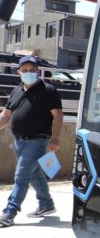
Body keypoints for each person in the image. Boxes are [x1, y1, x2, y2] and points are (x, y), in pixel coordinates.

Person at [0, 56, 62, 227]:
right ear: (19, 72)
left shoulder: (48, 90)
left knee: (21, 175)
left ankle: (9, 211)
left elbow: (58, 115)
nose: (28, 73)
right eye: (24, 70)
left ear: (37, 71)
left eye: (32, 70)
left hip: (38, 141)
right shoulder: (16, 91)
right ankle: (46, 204)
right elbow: (6, 115)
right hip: (19, 141)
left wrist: (55, 137)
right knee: (34, 175)